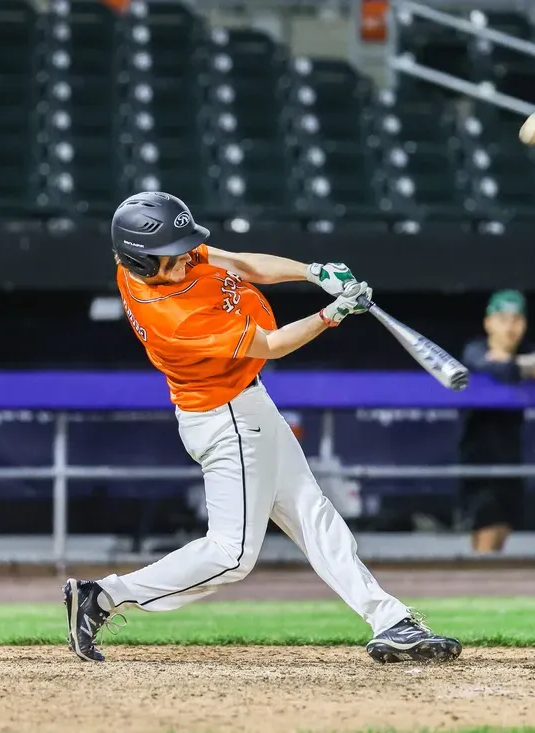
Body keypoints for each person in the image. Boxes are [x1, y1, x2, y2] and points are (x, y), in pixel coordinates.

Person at [62, 191, 461, 665]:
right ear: (142, 261)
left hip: (247, 405)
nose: (188, 255)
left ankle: (389, 620)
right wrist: (332, 314)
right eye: (173, 253)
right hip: (225, 418)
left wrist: (313, 272)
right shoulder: (174, 317)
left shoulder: (167, 257)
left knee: (314, 514)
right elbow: (270, 345)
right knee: (232, 556)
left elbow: (243, 266)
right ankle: (102, 597)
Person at [458, 290, 535, 553]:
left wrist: (521, 363)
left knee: (502, 530)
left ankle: (484, 590)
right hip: (479, 458)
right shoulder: (475, 349)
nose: (509, 327)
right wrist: (531, 367)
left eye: (516, 320)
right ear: (488, 322)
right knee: (486, 535)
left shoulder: (528, 351)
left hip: (511, 457)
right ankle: (479, 590)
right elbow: (496, 370)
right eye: (502, 319)